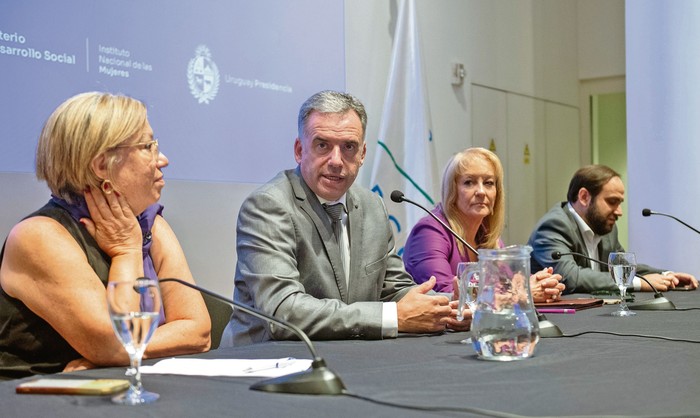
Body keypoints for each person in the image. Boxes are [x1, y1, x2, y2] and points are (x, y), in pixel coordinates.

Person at [221, 90, 469, 347]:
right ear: (299, 150)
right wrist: (392, 316)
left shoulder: (372, 206)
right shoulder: (268, 206)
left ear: (362, 154)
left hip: (343, 355)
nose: (336, 161)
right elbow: (283, 311)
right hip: (262, 363)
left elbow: (393, 290)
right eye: (322, 145)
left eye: (348, 147)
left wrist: (448, 307)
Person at [0, 92, 211, 380]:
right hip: (38, 401)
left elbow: (198, 330)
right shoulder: (38, 237)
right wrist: (126, 251)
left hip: (119, 390)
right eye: (148, 146)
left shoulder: (151, 225)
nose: (163, 159)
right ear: (102, 166)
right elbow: (114, 341)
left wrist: (109, 356)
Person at [402, 147, 564, 302]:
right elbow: (447, 295)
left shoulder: (486, 234)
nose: (481, 191)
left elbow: (508, 282)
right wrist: (523, 292)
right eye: (469, 182)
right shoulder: (429, 231)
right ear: (452, 190)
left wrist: (542, 285)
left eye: (488, 183)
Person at [528, 164, 698, 294]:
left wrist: (667, 275)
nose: (619, 212)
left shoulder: (605, 226)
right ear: (584, 197)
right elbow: (570, 278)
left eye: (620, 203)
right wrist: (638, 282)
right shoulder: (553, 226)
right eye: (612, 202)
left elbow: (624, 267)